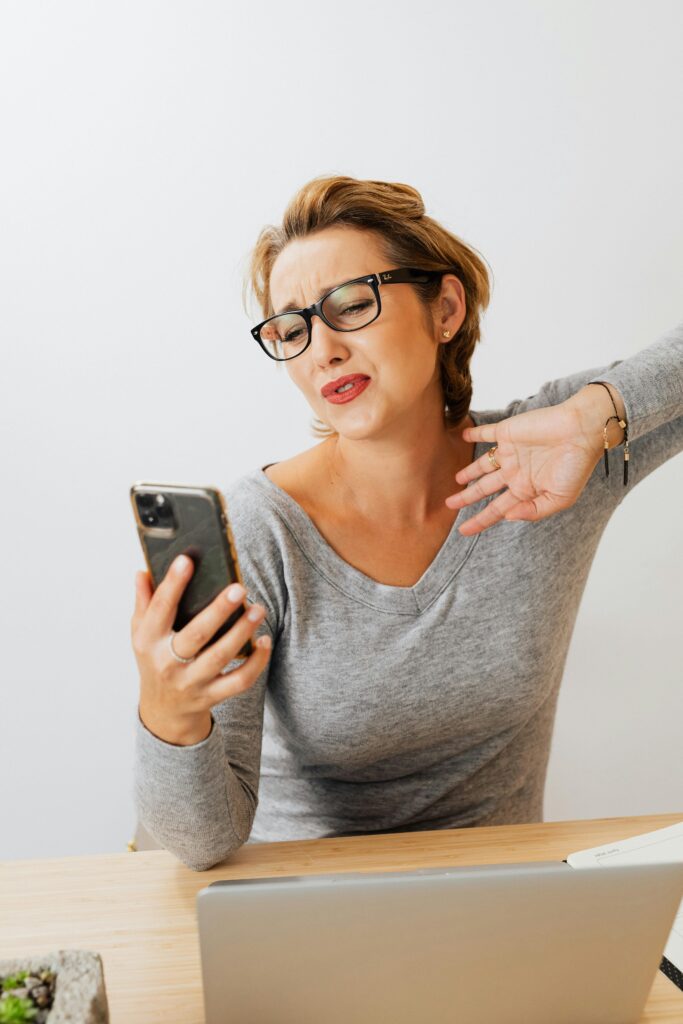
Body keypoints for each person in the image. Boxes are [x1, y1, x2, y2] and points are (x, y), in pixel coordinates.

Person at [131, 175, 682, 871]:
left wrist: (594, 416)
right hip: (305, 920)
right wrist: (169, 711)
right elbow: (202, 843)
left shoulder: (544, 455)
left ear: (444, 308)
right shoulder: (261, 529)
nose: (321, 350)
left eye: (351, 305)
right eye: (291, 330)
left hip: (506, 909)